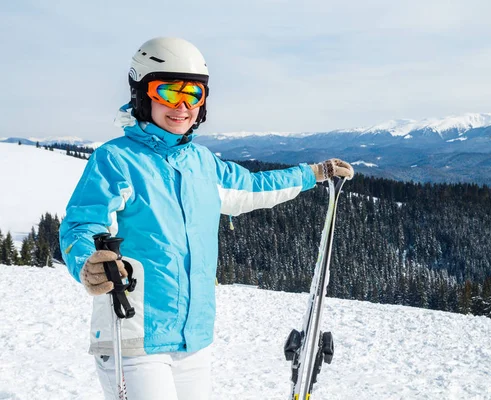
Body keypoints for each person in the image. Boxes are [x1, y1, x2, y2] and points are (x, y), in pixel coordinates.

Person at [59, 37, 354, 400]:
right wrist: (87, 261)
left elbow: (252, 186)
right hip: (134, 336)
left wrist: (313, 173)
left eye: (193, 94)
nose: (181, 106)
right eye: (168, 92)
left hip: (193, 340)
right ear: (141, 95)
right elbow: (81, 225)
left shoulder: (202, 162)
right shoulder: (116, 160)